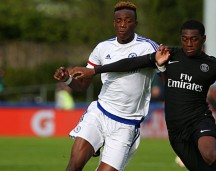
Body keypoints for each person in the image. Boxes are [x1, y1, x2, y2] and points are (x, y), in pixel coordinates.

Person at [70, 20, 216, 171]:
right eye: (185, 39)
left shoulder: (214, 65)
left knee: (209, 153)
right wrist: (95, 71)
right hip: (176, 132)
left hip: (200, 121)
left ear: (203, 40)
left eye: (194, 39)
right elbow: (131, 63)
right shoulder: (168, 56)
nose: (189, 43)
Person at [54, 1, 159, 171]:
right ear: (114, 23)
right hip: (100, 114)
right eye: (119, 21)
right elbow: (82, 86)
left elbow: (166, 74)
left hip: (126, 124)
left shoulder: (148, 47)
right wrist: (67, 79)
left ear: (136, 23)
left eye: (128, 21)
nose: (123, 25)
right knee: (74, 166)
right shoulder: (102, 48)